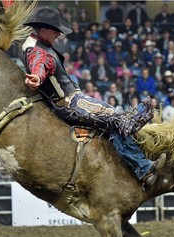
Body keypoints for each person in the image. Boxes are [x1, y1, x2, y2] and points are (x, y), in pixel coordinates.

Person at [21, 6, 165, 186]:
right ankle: (142, 166)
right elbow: (39, 65)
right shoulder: (38, 51)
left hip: (69, 99)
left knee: (113, 119)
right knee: (115, 121)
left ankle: (141, 166)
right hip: (68, 102)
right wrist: (37, 76)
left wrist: (37, 76)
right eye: (55, 30)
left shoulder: (34, 45)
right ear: (43, 30)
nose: (58, 34)